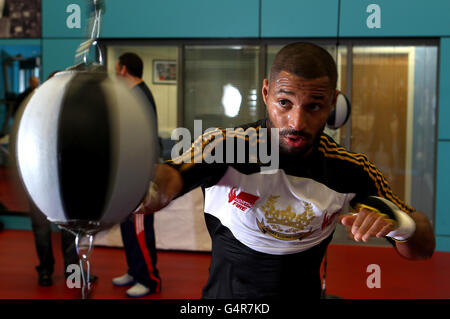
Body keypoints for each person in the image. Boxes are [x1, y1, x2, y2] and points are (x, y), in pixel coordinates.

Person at [138, 42, 435, 299]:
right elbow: (167, 182)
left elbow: (423, 247)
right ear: (266, 93)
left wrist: (400, 224)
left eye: (314, 106)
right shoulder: (226, 147)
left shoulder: (350, 170)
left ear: (332, 103)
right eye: (284, 103)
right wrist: (135, 185)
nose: (296, 122)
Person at [27, 71, 97, 287]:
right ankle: (45, 270)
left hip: (64, 181)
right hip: (38, 179)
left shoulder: (71, 112)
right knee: (42, 229)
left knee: (69, 229)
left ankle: (71, 272)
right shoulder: (35, 111)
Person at [112, 52, 161, 298]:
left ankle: (149, 279)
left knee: (140, 225)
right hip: (127, 174)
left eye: (116, 68)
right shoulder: (131, 96)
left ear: (123, 70)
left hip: (139, 175)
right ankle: (134, 270)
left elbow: (146, 140)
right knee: (128, 226)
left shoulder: (140, 96)